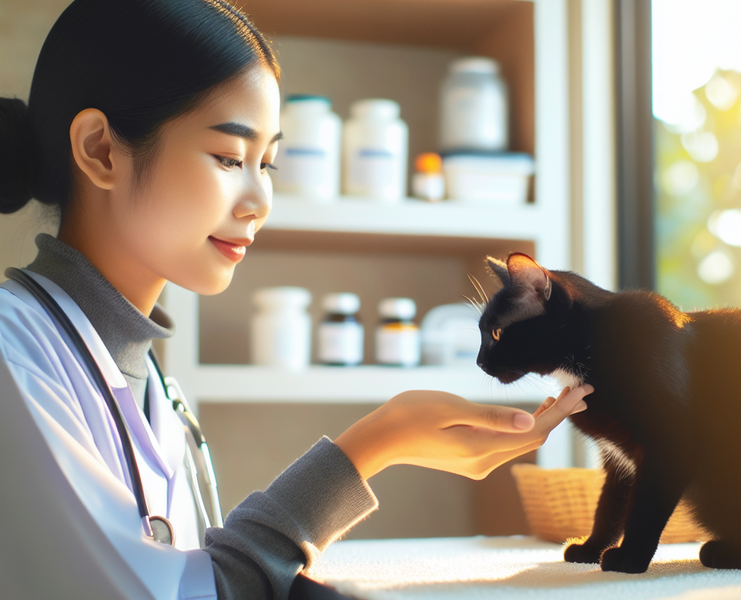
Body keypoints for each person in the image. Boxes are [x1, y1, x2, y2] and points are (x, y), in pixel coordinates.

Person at [0, 1, 593, 598]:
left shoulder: (150, 380)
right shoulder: (13, 352)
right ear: (101, 150)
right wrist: (372, 446)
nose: (260, 201)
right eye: (230, 158)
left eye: (268, 163)